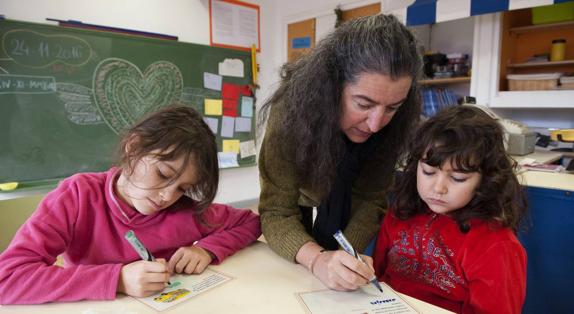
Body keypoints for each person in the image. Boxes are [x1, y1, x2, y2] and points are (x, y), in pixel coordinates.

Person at [0, 105, 261, 304]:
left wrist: (206, 250)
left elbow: (251, 222)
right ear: (133, 147)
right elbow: (7, 279)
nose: (167, 196)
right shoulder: (77, 196)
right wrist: (118, 280)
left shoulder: (184, 210)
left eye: (182, 187)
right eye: (163, 174)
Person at [258, 14, 422, 291]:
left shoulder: (393, 125)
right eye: (363, 103)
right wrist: (317, 259)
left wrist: (345, 258)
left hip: (346, 208)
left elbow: (371, 200)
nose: (376, 124)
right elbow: (276, 212)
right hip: (303, 205)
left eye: (393, 107)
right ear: (332, 87)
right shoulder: (291, 110)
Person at [373, 105, 528, 313]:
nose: (438, 188)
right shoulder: (401, 212)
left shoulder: (496, 246)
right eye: (428, 172)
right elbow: (376, 279)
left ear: (487, 180)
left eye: (458, 178)